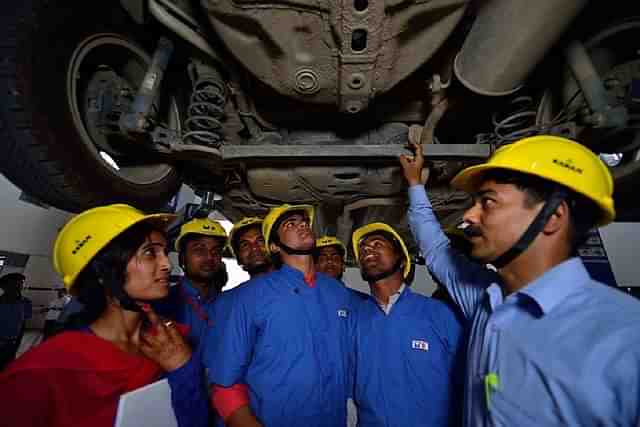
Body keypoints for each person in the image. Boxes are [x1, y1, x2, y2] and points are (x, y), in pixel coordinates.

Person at [400, 135, 640, 426]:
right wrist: (415, 185)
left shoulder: (625, 335)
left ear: (553, 217)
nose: (469, 216)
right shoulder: (483, 302)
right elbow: (437, 249)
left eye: (488, 202)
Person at [0, 204, 209, 427]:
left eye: (164, 252)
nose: (167, 264)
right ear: (104, 271)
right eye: (149, 253)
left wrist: (184, 369)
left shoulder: (172, 344)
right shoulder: (40, 373)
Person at [206, 204, 354, 427]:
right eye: (290, 224)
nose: (302, 225)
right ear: (274, 246)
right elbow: (225, 383)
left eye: (304, 222)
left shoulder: (337, 292)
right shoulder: (249, 296)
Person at [350, 222, 463, 427]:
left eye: (377, 244)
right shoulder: (354, 319)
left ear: (402, 260)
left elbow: (469, 381)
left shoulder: (439, 313)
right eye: (363, 248)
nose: (367, 249)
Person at [156, 217, 228, 349]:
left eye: (216, 251)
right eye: (199, 250)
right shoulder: (161, 304)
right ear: (182, 258)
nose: (209, 257)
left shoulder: (230, 304)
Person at [0, 273, 32, 370]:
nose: (19, 287)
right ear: (4, 287)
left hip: (12, 343)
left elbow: (23, 323)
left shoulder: (26, 303)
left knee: (7, 366)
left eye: (20, 284)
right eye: (14, 285)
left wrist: (17, 341)